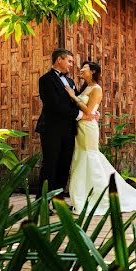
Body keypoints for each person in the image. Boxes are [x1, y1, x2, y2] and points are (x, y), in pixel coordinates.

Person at [63, 60, 136, 215]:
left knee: (90, 158)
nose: (81, 70)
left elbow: (88, 110)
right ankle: (84, 196)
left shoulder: (96, 89)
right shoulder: (85, 88)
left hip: (88, 127)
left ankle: (101, 197)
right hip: (80, 126)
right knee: (81, 159)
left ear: (93, 71)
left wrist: (73, 97)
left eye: (84, 68)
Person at [35, 48, 98, 205]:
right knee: (50, 165)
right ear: (59, 60)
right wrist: (80, 116)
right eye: (69, 61)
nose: (71, 65)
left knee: (64, 165)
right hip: (51, 129)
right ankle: (41, 203)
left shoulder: (70, 82)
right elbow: (54, 105)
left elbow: (77, 102)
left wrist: (93, 112)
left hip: (69, 130)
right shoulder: (45, 80)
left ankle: (58, 202)